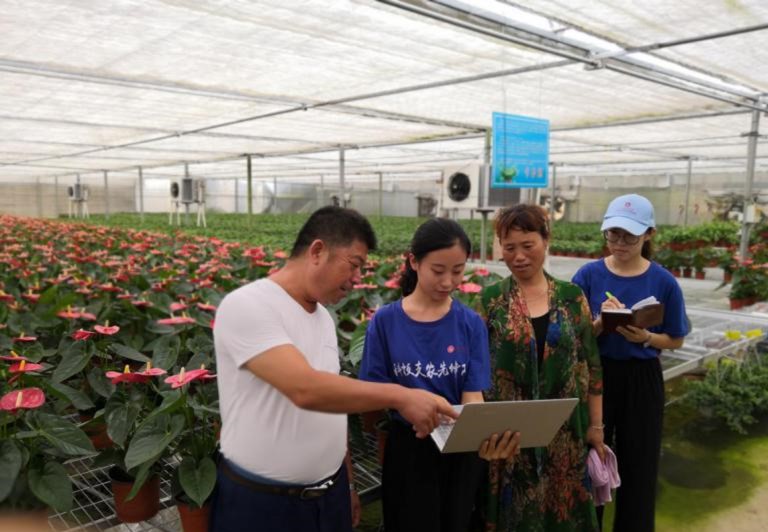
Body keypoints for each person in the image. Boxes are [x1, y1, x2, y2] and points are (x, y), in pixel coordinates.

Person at [210, 206, 457, 532]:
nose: (358, 277)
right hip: (263, 503)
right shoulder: (249, 305)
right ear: (317, 251)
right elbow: (306, 389)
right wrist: (402, 396)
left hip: (331, 495)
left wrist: (348, 483)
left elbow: (332, 405)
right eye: (354, 264)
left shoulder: (323, 319)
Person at [359, 218, 519, 532]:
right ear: (414, 261)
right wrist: (406, 406)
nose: (448, 281)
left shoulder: (470, 323)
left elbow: (473, 396)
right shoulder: (385, 322)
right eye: (438, 270)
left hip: (459, 447)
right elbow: (372, 392)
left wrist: (483, 433)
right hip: (409, 449)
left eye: (457, 271)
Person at [481, 203, 604, 532]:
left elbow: (592, 367)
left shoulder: (572, 297)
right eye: (509, 248)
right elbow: (476, 370)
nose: (519, 256)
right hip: (509, 438)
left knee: (564, 514)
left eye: (528, 245)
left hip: (565, 435)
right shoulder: (491, 301)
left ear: (545, 240)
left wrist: (596, 426)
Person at [572, 194, 688, 532]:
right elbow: (572, 335)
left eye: (630, 236)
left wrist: (646, 337)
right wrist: (599, 323)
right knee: (590, 459)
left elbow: (676, 338)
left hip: (642, 378)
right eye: (613, 234)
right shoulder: (588, 275)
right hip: (597, 375)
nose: (620, 243)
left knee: (640, 463)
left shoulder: (664, 281)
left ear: (649, 234)